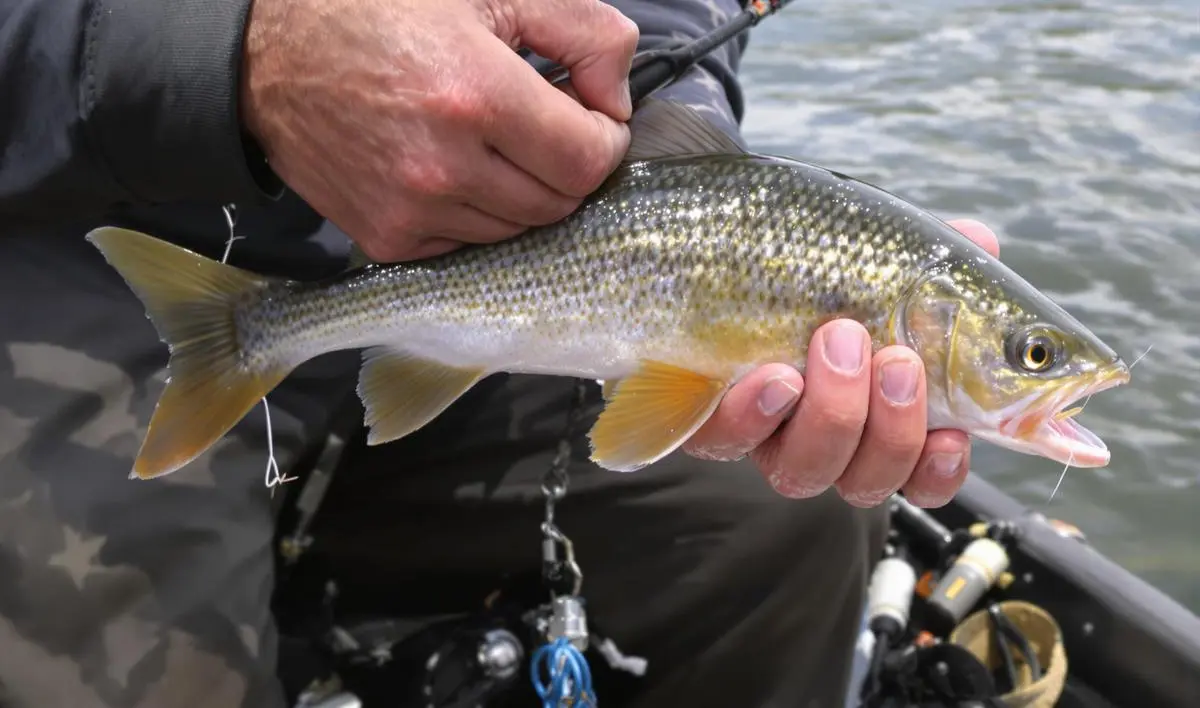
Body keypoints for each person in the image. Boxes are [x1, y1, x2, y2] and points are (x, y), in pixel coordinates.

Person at [0, 0, 999, 706]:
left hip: (498, 243)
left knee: (793, 530)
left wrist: (669, 99)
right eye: (1030, 356)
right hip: (69, 229)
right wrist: (238, 50)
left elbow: (658, 20)